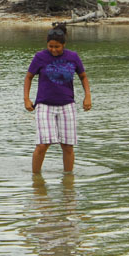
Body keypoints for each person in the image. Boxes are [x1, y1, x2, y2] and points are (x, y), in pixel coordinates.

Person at [24, 23, 92, 174]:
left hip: (67, 105)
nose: (53, 50)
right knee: (43, 144)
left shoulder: (73, 57)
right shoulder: (40, 57)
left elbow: (83, 76)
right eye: (50, 46)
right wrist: (26, 99)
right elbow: (28, 77)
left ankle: (68, 180)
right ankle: (36, 180)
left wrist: (87, 96)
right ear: (47, 44)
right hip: (44, 105)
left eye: (57, 47)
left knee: (67, 146)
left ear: (64, 45)